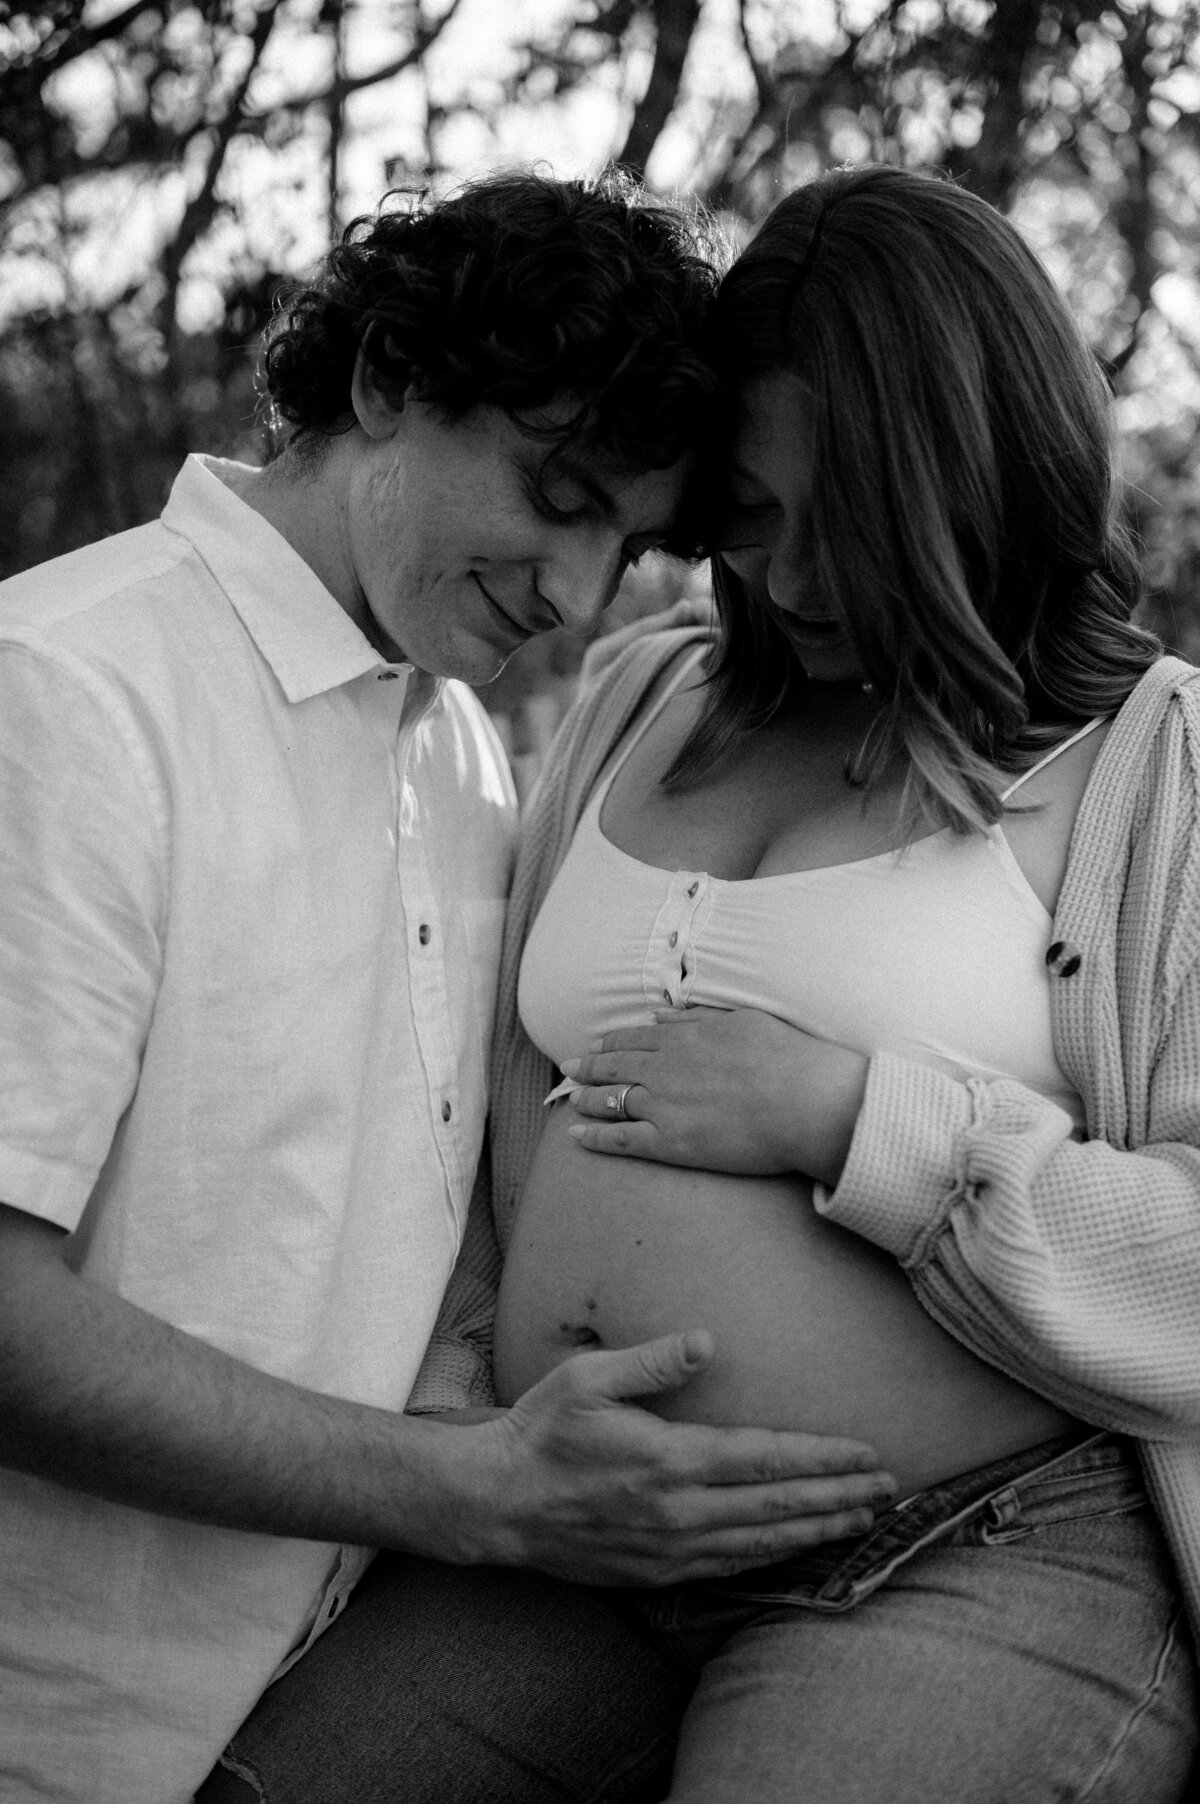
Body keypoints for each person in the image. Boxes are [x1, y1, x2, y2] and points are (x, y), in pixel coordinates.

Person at [209, 165, 1200, 1801]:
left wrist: (855, 1116)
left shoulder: (1153, 768)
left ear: (979, 474)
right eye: (748, 513)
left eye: (853, 517)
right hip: (565, 1527)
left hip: (966, 1549)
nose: (793, 579)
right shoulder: (639, 689)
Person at [0, 168, 898, 1804]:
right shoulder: (65, 695)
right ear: (389, 381)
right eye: (558, 494)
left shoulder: (466, 747)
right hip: (71, 1726)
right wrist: (469, 1488)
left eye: (625, 548)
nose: (574, 596)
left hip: (341, 1678)